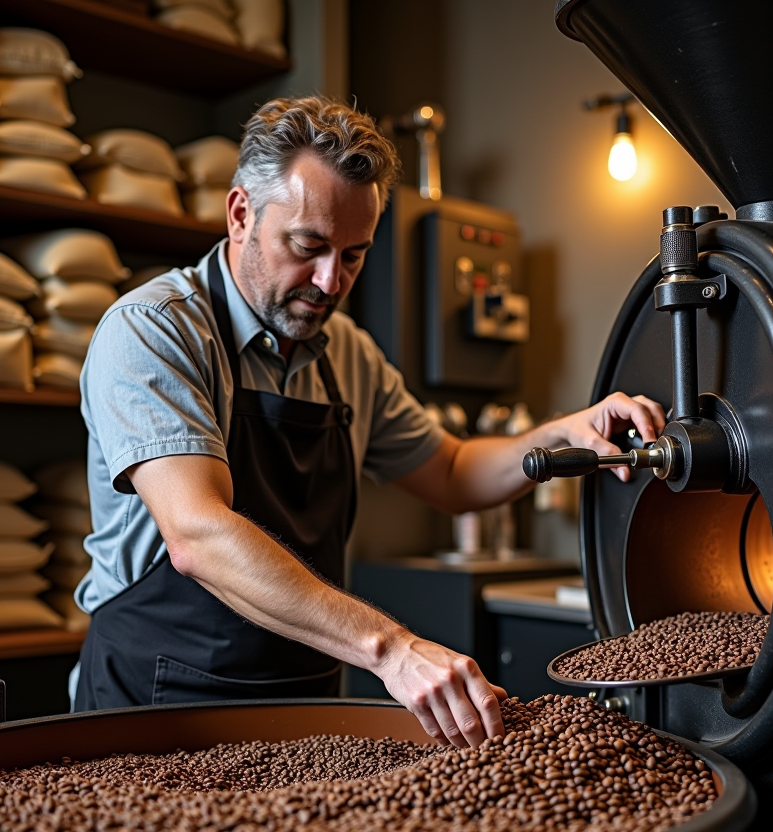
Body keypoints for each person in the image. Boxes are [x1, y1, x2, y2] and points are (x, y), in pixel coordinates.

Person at [73, 96, 666, 748]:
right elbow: (198, 534)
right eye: (309, 246)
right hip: (157, 705)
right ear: (241, 214)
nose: (331, 282)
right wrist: (392, 650)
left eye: (354, 255)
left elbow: (452, 471)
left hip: (302, 706)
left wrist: (561, 434)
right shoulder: (154, 330)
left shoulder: (348, 354)